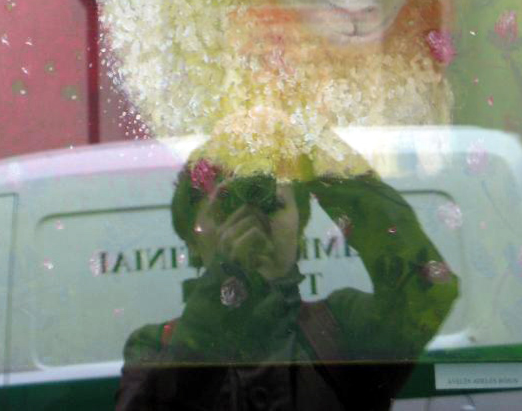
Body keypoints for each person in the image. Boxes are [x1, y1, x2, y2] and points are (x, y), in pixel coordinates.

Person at [116, 158, 458, 410]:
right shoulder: (154, 346)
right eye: (227, 206)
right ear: (192, 240)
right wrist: (224, 286)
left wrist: (326, 162)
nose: (252, 224)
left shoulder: (342, 324)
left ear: (301, 230)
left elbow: (426, 291)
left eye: (272, 205)